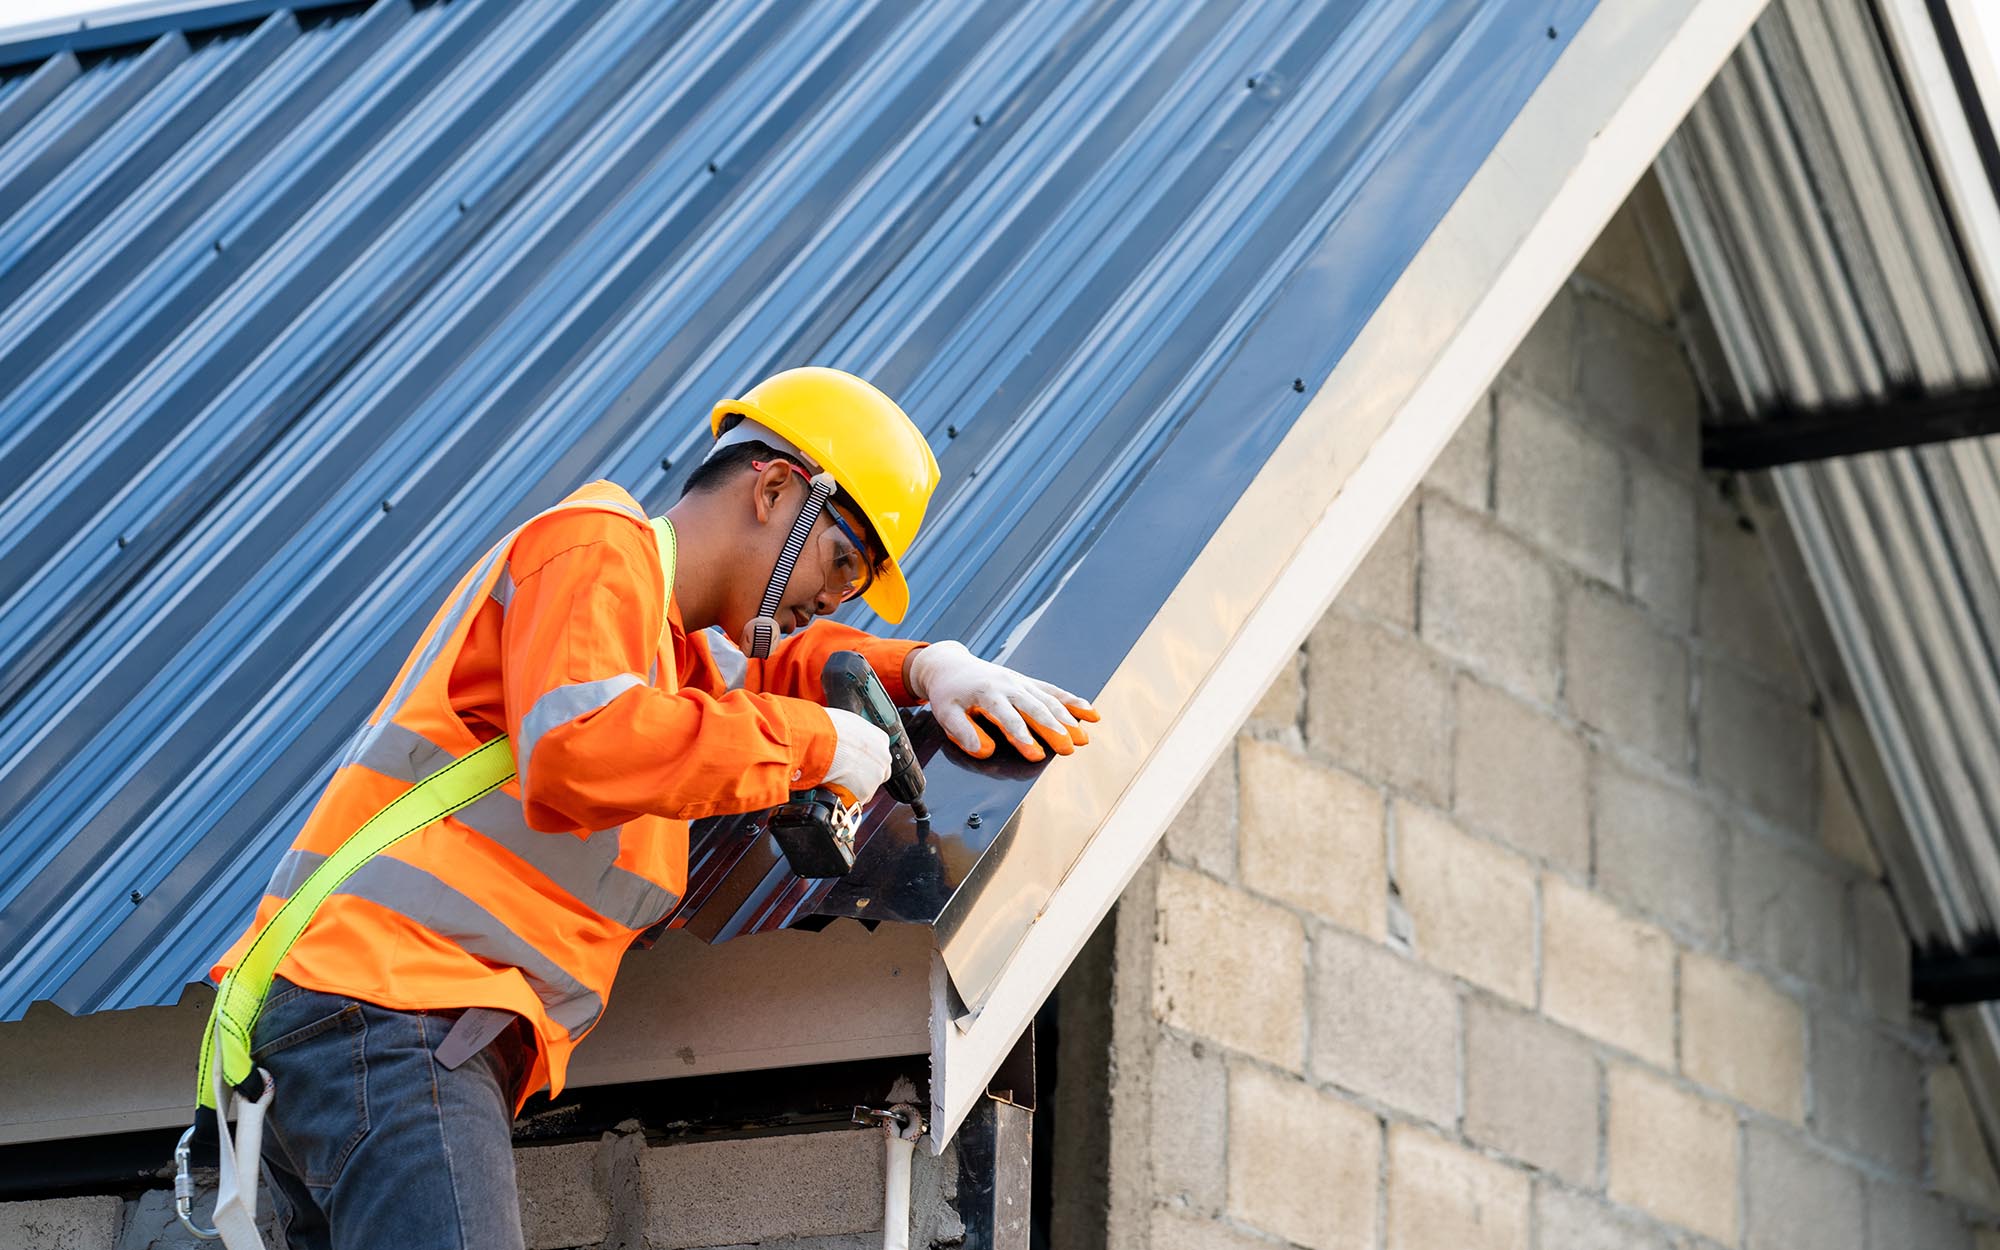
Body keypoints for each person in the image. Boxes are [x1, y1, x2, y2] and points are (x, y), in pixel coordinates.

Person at [203, 367, 1098, 1250]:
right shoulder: (596, 543)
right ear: (776, 487)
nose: (836, 594)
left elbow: (788, 661)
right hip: (393, 1012)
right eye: (842, 559)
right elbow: (585, 744)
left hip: (369, 1024)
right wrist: (815, 743)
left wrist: (931, 665)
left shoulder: (669, 655)